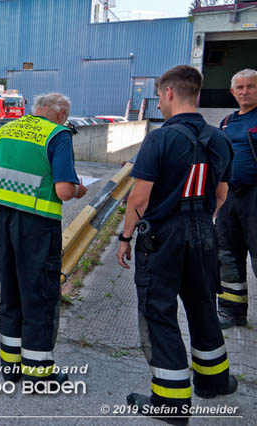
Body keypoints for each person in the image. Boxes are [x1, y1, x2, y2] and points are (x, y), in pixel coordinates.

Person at [116, 65, 236, 424]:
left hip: (163, 237)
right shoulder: (220, 138)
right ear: (196, 94)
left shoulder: (159, 139)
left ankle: (170, 403)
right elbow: (221, 193)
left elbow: (139, 197)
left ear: (168, 93)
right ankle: (214, 382)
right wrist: (200, 220)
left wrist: (125, 238)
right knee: (202, 306)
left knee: (159, 312)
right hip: (203, 232)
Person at [0, 93, 86, 385]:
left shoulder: (5, 130)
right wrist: (80, 190)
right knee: (39, 297)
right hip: (38, 226)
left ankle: (11, 368)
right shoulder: (58, 134)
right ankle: (38, 374)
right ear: (61, 113)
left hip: (3, 224)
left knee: (11, 293)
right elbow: (65, 190)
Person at [216, 68, 257, 329]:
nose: (244, 91)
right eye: (240, 87)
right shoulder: (226, 122)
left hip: (255, 197)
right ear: (232, 92)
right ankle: (232, 312)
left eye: (250, 86)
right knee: (227, 255)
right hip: (230, 197)